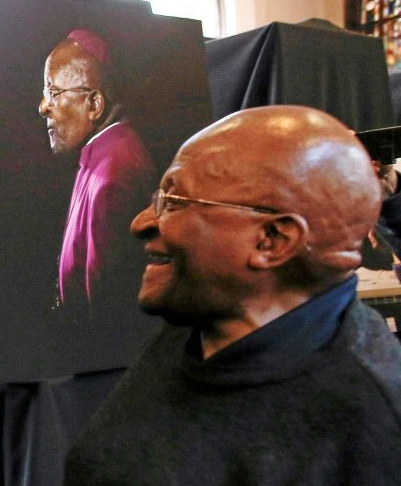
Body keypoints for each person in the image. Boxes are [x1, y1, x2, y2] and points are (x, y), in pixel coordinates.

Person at [65, 106, 401, 485]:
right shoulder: (203, 326)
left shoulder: (369, 425)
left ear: (272, 240)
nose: (141, 222)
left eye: (174, 202)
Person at [38, 29, 155, 311]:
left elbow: (104, 308)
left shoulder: (114, 172)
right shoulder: (104, 154)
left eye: (53, 93)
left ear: (94, 104)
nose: (43, 107)